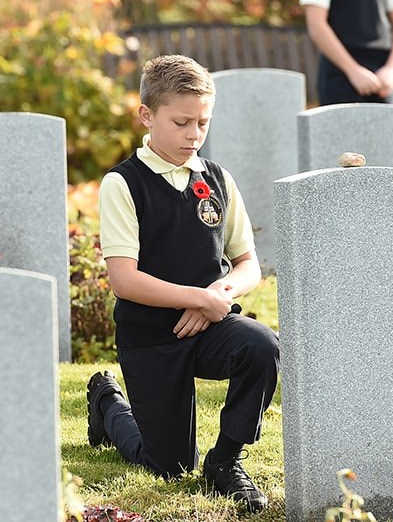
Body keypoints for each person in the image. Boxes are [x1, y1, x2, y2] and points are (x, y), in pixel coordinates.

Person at [86, 54, 279, 513]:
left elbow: (248, 263)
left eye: (203, 123)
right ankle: (108, 404)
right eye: (182, 122)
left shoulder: (218, 180)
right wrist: (199, 297)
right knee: (169, 465)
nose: (194, 135)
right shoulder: (123, 184)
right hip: (151, 336)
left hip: (210, 326)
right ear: (147, 116)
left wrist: (217, 297)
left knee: (262, 346)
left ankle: (225, 460)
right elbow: (123, 279)